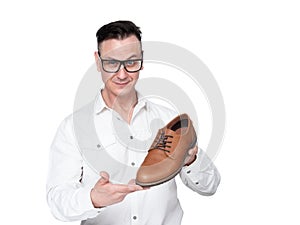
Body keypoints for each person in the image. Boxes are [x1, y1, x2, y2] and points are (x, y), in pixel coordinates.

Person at [46, 20, 221, 225]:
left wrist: (191, 159)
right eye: (111, 63)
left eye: (131, 62)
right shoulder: (73, 128)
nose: (122, 74)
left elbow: (210, 186)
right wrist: (93, 199)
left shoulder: (169, 120)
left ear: (141, 60)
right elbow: (57, 200)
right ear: (97, 61)